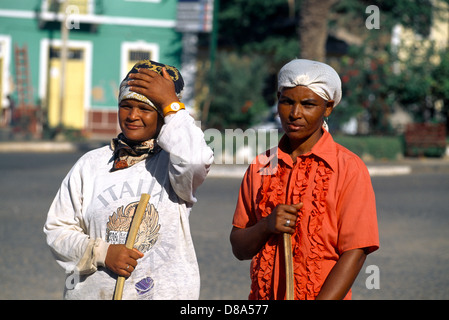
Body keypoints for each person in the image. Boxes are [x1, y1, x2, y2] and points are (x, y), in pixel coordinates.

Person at [44, 60, 214, 300]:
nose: (133, 116)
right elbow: (57, 230)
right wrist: (102, 253)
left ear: (162, 115)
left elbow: (196, 159)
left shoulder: (174, 166)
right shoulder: (90, 164)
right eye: (126, 106)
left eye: (145, 109)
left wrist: (171, 104)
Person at [230, 59, 379, 300]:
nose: (295, 114)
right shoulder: (261, 165)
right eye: (287, 102)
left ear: (328, 107)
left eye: (308, 104)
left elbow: (356, 251)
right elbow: (239, 248)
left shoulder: (349, 168)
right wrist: (266, 225)